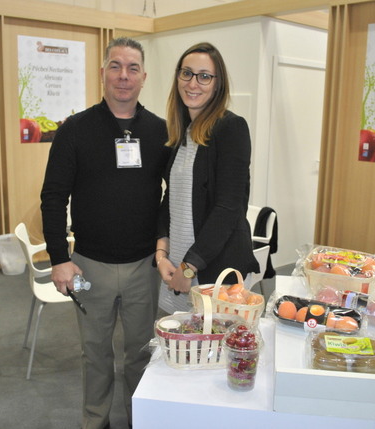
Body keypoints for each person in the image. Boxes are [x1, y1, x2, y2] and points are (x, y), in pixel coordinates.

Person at [40, 37, 169, 429]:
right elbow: (53, 196)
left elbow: (173, 194)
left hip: (143, 268)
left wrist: (163, 246)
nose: (123, 76)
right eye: (115, 66)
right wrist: (59, 258)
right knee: (94, 352)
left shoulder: (160, 131)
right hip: (87, 267)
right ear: (102, 73)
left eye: (132, 68)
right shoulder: (75, 130)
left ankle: (139, 419)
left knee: (140, 353)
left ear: (144, 77)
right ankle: (96, 421)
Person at [155, 42, 259, 314]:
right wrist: (162, 254)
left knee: (217, 338)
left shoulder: (231, 128)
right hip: (179, 262)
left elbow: (228, 208)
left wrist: (189, 268)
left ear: (217, 84)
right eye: (186, 73)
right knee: (184, 335)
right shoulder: (182, 132)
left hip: (215, 269)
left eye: (204, 76)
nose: (193, 83)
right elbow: (171, 198)